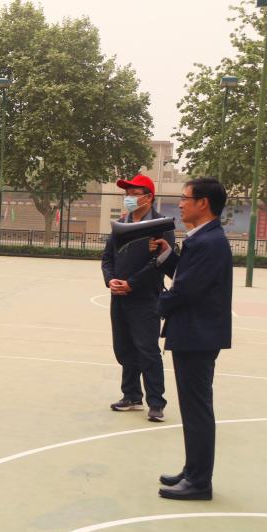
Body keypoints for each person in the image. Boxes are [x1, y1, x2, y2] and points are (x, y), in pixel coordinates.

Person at [149, 177, 232, 501]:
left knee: (197, 410)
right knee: (193, 408)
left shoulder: (208, 242)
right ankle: (193, 470)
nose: (180, 204)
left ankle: (199, 482)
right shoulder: (204, 238)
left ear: (203, 203)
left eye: (185, 198)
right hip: (195, 333)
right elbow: (187, 275)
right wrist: (168, 255)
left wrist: (155, 305)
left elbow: (186, 289)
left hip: (197, 335)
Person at [101, 174, 175, 423]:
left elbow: (160, 262)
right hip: (118, 297)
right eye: (127, 193)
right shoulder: (121, 223)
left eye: (134, 193)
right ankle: (131, 395)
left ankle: (156, 402)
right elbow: (107, 258)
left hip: (146, 298)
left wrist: (131, 283)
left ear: (148, 197)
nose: (129, 198)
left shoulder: (160, 225)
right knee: (124, 347)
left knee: (147, 350)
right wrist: (110, 280)